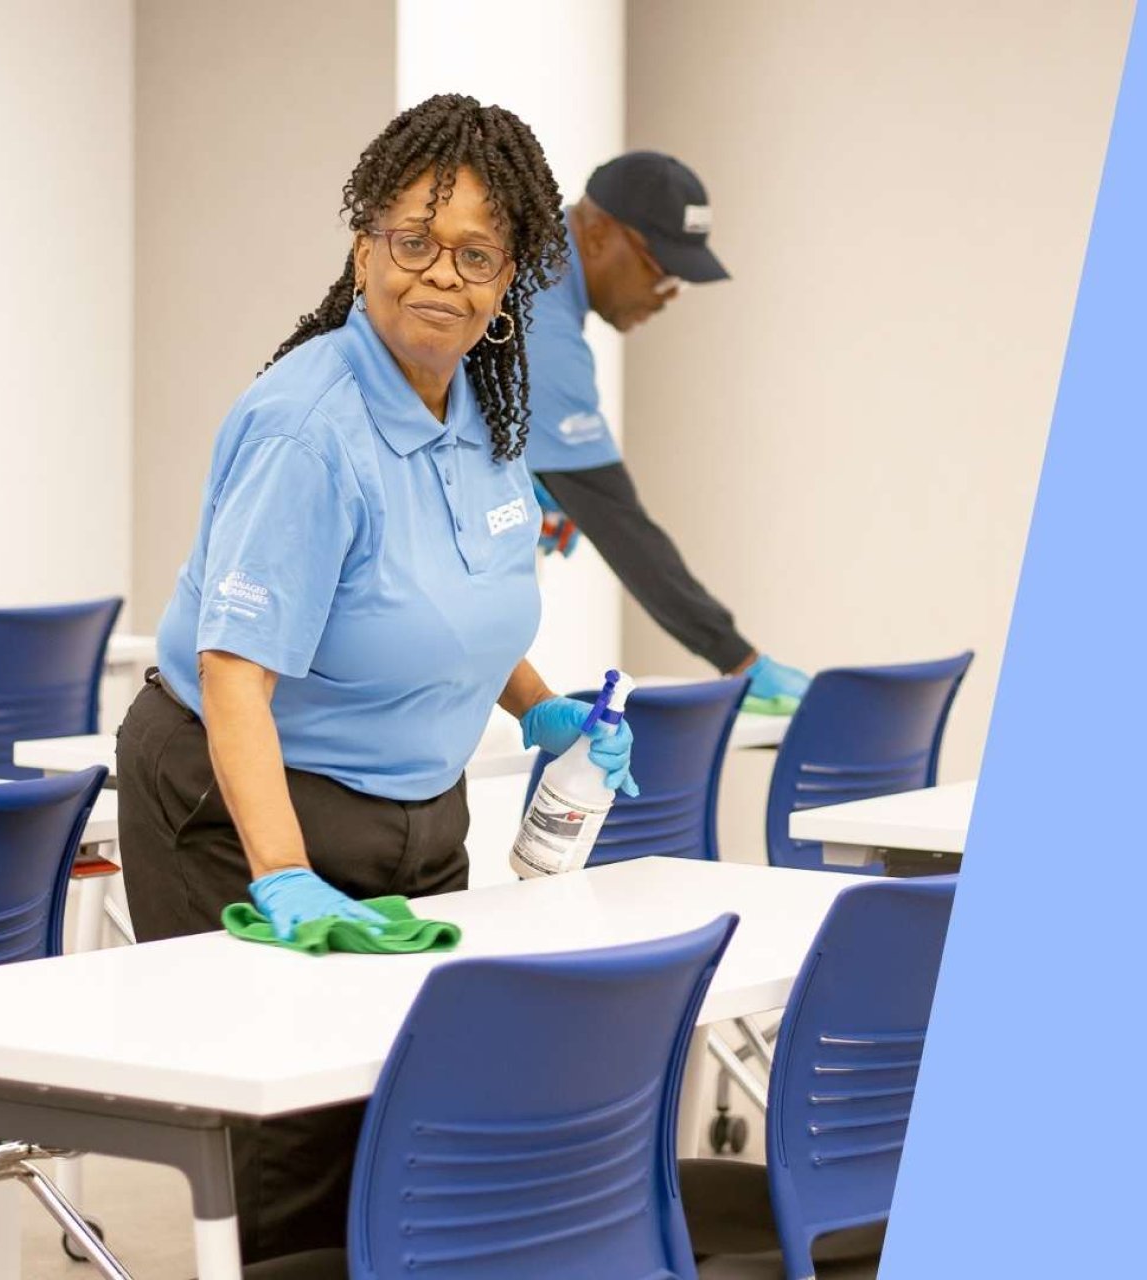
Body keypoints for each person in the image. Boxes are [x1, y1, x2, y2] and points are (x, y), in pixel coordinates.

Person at [114, 94, 636, 1267]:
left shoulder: (485, 409)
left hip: (413, 810)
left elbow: (453, 598)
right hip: (241, 804)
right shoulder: (308, 428)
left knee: (411, 1129)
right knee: (295, 1152)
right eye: (412, 240)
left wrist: (539, 707)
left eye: (474, 255)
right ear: (361, 247)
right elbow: (235, 674)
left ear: (507, 282)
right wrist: (284, 876)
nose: (439, 276)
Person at [526, 151, 810, 708]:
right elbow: (623, 528)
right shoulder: (546, 331)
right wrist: (738, 660)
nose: (669, 293)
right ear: (599, 233)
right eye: (663, 269)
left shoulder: (532, 264)